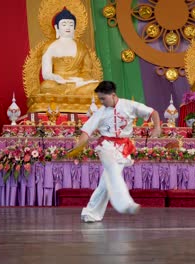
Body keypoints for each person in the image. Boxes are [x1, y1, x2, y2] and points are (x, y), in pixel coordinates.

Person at [69, 81, 161, 223]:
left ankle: (90, 213)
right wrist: (76, 148)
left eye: (103, 98)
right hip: (106, 146)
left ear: (113, 95)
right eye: (99, 99)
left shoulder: (129, 106)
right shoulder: (100, 113)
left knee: (106, 181)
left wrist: (157, 127)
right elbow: (86, 132)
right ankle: (125, 204)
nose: (101, 102)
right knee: (112, 172)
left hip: (123, 148)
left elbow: (152, 112)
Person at [40, 8, 99, 95]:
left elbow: (87, 70)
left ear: (74, 28)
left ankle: (70, 93)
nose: (68, 27)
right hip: (58, 83)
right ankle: (71, 93)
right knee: (46, 86)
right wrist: (56, 78)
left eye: (71, 24)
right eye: (64, 24)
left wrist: (80, 79)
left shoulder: (82, 47)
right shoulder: (50, 47)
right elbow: (46, 73)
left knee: (97, 86)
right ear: (57, 27)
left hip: (78, 83)